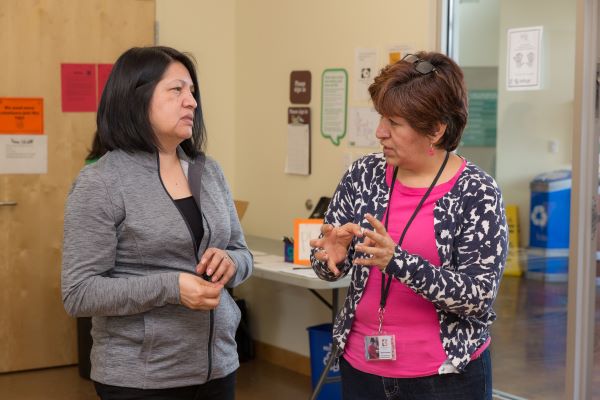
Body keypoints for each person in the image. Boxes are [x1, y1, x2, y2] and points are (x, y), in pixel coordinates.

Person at [310, 51, 508, 400]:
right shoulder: (363, 174)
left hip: (445, 378)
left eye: (394, 123)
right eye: (380, 118)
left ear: (435, 130)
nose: (379, 132)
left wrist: (397, 261)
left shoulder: (477, 192)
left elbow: (478, 298)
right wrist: (333, 256)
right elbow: (325, 267)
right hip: (362, 369)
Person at [61, 46, 253, 400]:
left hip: (219, 366)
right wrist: (172, 287)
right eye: (176, 90)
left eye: (192, 91)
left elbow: (241, 252)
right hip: (141, 379)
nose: (191, 102)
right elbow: (79, 293)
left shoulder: (209, 171)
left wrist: (232, 263)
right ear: (136, 98)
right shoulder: (101, 183)